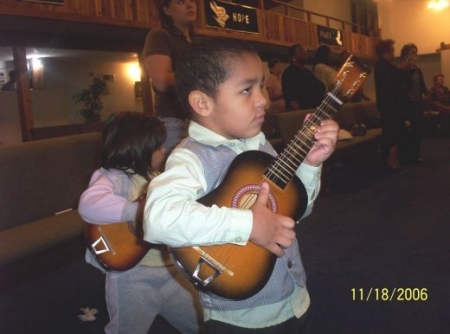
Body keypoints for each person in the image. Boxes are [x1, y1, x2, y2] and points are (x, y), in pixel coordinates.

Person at [144, 37, 339, 334]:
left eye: (261, 86)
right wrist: (248, 225)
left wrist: (310, 166)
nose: (262, 98)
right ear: (202, 103)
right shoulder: (191, 158)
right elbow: (157, 219)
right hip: (240, 319)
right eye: (247, 89)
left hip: (296, 298)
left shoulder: (259, 145)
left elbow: (294, 212)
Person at [78, 111, 202, 334]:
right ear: (138, 149)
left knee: (202, 325)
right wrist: (140, 212)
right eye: (158, 147)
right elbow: (88, 204)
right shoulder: (115, 177)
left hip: (171, 272)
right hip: (132, 279)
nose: (164, 151)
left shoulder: (156, 177)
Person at [143, 0, 198, 154]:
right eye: (181, 2)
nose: (189, 5)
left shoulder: (196, 41)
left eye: (192, 1)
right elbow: (161, 81)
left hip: (199, 120)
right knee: (178, 175)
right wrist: (202, 77)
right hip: (174, 121)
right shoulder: (159, 35)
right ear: (166, 10)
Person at [374, 39, 409, 171]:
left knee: (396, 132)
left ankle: (393, 159)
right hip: (389, 105)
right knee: (392, 133)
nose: (393, 53)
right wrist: (401, 69)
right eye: (392, 50)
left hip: (392, 105)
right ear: (386, 51)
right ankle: (390, 160)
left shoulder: (386, 65)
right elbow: (391, 85)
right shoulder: (383, 66)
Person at [398, 43, 427, 163]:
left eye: (415, 52)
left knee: (418, 129)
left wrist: (426, 93)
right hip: (407, 105)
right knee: (410, 130)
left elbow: (422, 84)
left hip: (418, 103)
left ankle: (416, 154)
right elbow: (401, 85)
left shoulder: (417, 69)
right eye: (412, 52)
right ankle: (408, 155)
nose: (414, 55)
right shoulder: (402, 68)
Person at [282, 44, 325, 111]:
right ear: (293, 57)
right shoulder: (289, 73)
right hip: (302, 113)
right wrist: (300, 113)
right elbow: (290, 98)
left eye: (304, 50)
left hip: (315, 109)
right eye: (300, 51)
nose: (304, 53)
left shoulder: (307, 71)